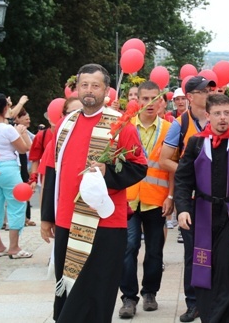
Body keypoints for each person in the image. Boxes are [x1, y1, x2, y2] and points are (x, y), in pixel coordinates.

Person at [40, 63, 148, 323]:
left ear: (106, 89)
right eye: (84, 85)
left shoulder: (121, 125)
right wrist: (47, 216)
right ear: (76, 88)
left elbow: (139, 167)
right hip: (67, 218)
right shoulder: (65, 123)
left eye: (95, 85)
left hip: (105, 223)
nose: (89, 90)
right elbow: (53, 170)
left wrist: (106, 171)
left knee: (97, 289)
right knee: (69, 285)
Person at [175, 94, 229, 322]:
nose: (222, 118)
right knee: (203, 271)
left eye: (226, 113)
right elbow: (183, 179)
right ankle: (208, 316)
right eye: (217, 113)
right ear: (208, 115)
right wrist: (183, 207)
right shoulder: (196, 143)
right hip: (202, 215)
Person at [159, 75, 216, 322]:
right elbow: (164, 159)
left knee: (219, 251)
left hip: (219, 198)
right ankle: (193, 303)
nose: (209, 94)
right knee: (193, 252)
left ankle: (215, 299)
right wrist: (189, 172)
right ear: (191, 96)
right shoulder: (180, 124)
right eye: (205, 91)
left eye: (211, 89)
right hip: (192, 198)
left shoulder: (221, 119)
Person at [118, 81, 173, 318]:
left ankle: (150, 292)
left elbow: (172, 167)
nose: (149, 103)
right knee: (128, 247)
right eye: (144, 98)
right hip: (128, 199)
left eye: (154, 98)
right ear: (137, 101)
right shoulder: (125, 126)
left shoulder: (170, 129)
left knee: (155, 250)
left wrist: (171, 196)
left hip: (156, 199)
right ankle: (128, 297)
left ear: (161, 102)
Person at [0, 93, 33, 259]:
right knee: (17, 205)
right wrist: (20, 132)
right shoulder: (8, 129)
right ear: (5, 108)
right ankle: (14, 247)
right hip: (8, 168)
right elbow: (23, 149)